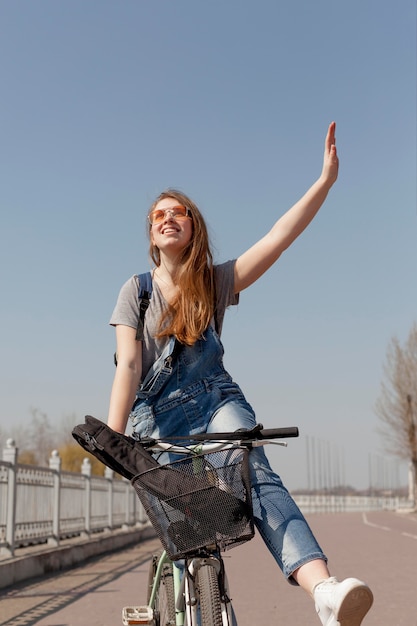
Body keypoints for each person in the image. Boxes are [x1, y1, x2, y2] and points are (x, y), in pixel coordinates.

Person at [107, 122, 373, 625]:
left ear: (193, 226)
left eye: (177, 213)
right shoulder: (136, 291)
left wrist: (324, 183)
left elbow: (278, 238)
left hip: (214, 400)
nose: (167, 219)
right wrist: (113, 437)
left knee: (255, 474)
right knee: (189, 528)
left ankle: (324, 591)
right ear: (150, 232)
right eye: (157, 215)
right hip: (157, 421)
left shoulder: (213, 282)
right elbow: (129, 365)